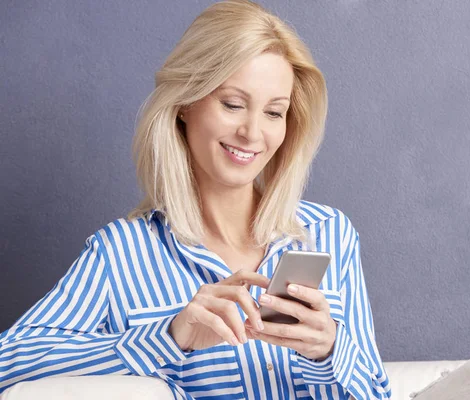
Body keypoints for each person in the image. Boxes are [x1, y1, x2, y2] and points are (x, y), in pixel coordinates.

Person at [0, 1, 392, 399]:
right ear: (187, 102)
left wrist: (329, 350)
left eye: (275, 112)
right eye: (233, 104)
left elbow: (379, 392)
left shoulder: (328, 234)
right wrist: (169, 335)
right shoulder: (120, 253)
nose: (252, 133)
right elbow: (7, 362)